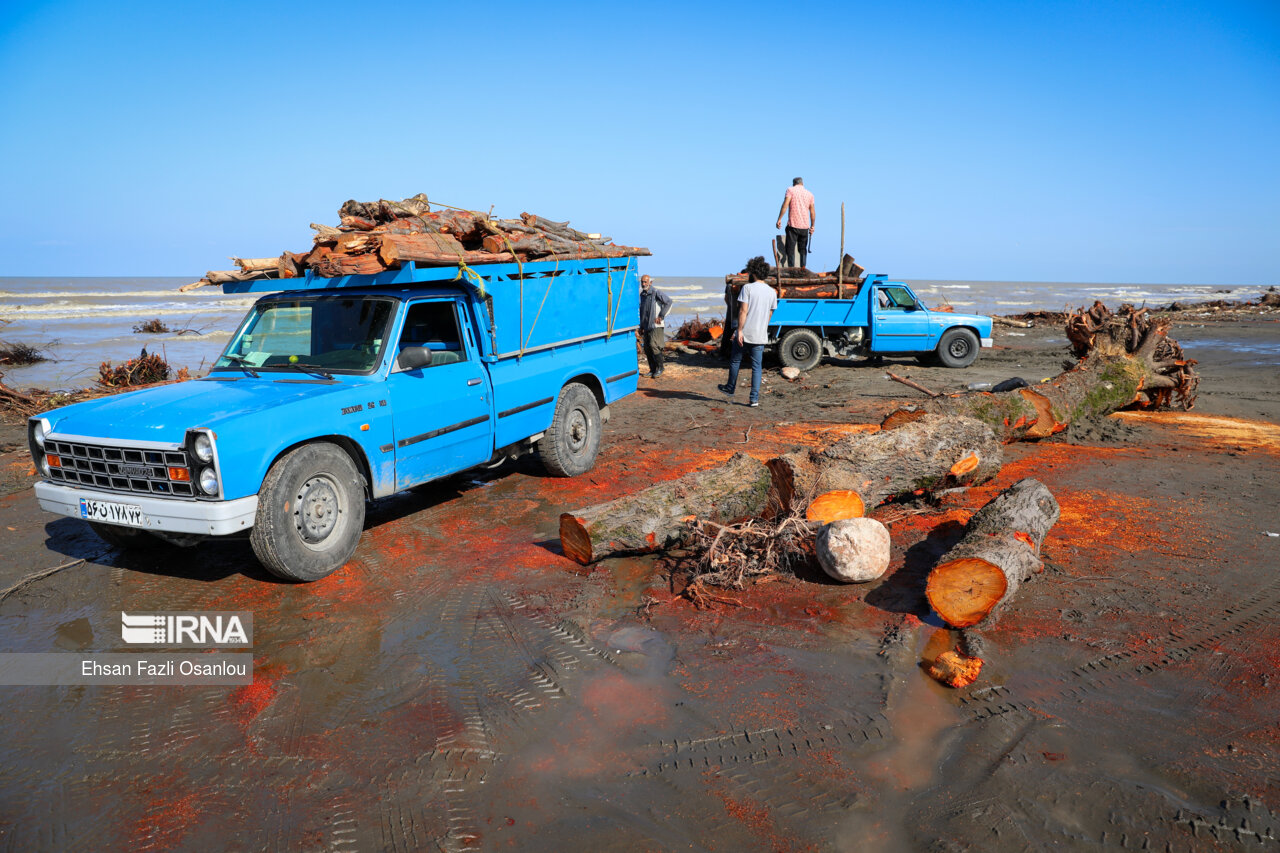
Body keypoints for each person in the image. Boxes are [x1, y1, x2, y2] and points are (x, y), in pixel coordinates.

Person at [718, 269, 777, 407]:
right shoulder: (771, 292)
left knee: (735, 361)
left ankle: (730, 388)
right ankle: (754, 399)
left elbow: (743, 311)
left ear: (754, 273)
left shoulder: (748, 288)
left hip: (746, 333)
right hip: (760, 334)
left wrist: (739, 330)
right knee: (757, 367)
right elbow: (770, 313)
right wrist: (763, 328)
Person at [775, 177, 816, 268]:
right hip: (805, 226)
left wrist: (779, 219)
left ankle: (791, 269)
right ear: (802, 184)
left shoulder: (790, 190)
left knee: (790, 249)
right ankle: (803, 269)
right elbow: (812, 212)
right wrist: (812, 226)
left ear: (794, 183)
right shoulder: (810, 194)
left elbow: (785, 205)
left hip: (793, 225)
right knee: (802, 249)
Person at [638, 274, 672, 379]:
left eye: (645, 282)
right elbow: (642, 311)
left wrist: (661, 316)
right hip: (646, 325)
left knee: (654, 345)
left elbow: (669, 302)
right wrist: (641, 326)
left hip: (656, 325)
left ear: (650, 282)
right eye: (642, 282)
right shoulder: (642, 295)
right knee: (647, 348)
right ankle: (652, 369)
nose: (643, 284)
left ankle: (660, 368)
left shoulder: (656, 293)